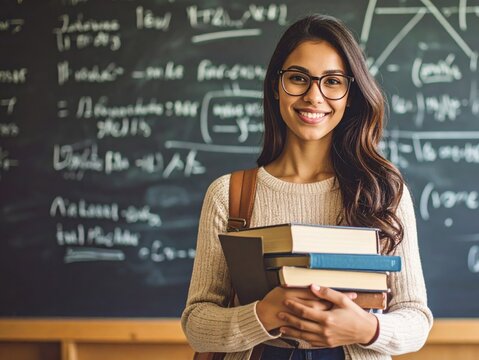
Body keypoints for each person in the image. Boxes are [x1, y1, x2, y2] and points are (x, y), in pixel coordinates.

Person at [181, 14, 433, 360]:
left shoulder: (383, 191)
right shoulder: (229, 194)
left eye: (332, 82)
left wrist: (365, 328)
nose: (314, 96)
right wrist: (264, 315)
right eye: (298, 78)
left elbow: (416, 319)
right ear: (276, 85)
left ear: (350, 94)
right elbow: (196, 323)